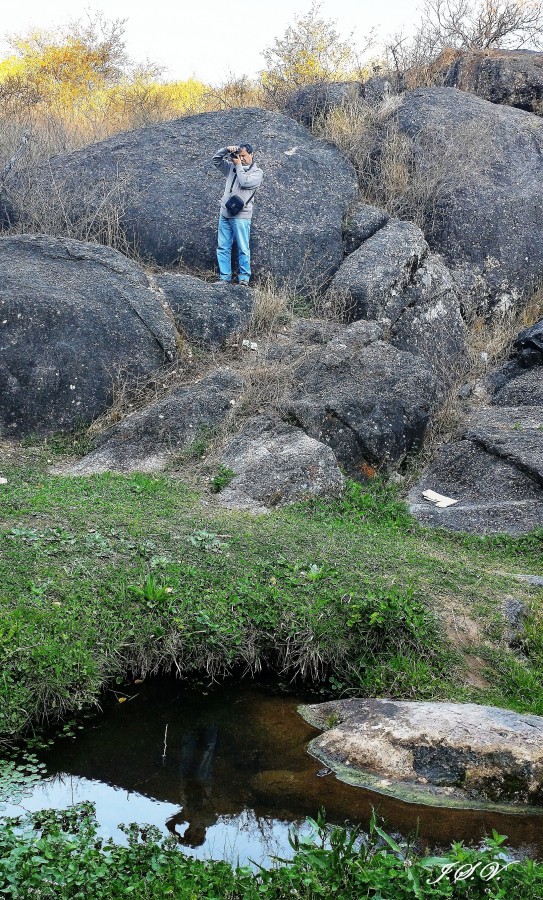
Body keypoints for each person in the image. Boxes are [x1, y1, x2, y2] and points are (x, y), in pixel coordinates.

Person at [212, 142, 263, 285]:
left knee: (243, 248)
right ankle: (224, 277)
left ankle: (244, 278)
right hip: (225, 213)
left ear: (251, 154)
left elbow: (244, 182)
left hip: (241, 216)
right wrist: (226, 150)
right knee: (223, 247)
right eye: (239, 156)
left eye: (244, 156)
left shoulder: (257, 173)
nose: (241, 159)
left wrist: (238, 165)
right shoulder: (231, 168)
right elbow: (216, 160)